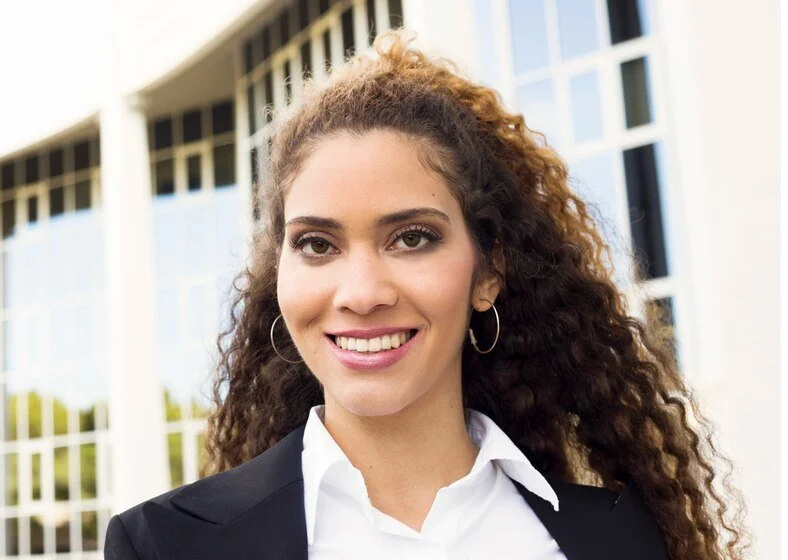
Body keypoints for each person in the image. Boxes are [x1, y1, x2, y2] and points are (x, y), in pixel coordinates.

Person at [104, 31, 747, 560]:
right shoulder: (165, 547)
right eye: (317, 245)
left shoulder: (623, 539)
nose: (360, 294)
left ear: (488, 271)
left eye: (412, 238)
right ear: (280, 274)